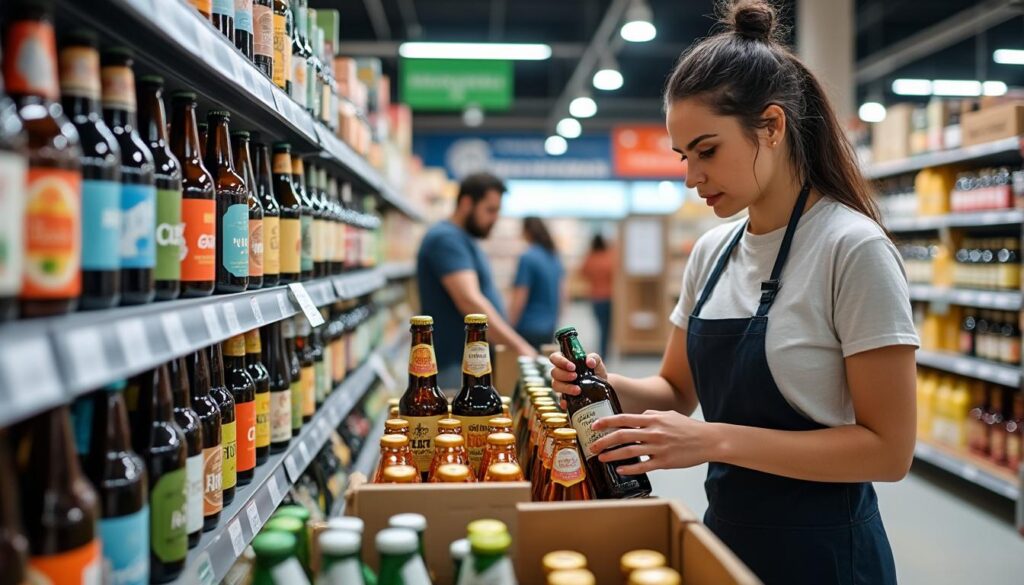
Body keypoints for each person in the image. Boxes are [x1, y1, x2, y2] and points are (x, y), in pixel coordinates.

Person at [549, 2, 917, 584]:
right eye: (682, 156)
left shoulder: (851, 248)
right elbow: (674, 391)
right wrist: (604, 382)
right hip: (726, 541)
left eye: (707, 150)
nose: (691, 176)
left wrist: (713, 440)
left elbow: (888, 451)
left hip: (826, 556)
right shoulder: (712, 252)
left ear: (771, 126)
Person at [417, 172, 538, 390]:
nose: (495, 218)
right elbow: (470, 300)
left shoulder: (463, 239)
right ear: (466, 203)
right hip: (454, 366)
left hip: (469, 364)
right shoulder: (446, 239)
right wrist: (520, 347)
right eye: (490, 210)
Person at [508, 217, 566, 350]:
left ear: (527, 231)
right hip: (549, 326)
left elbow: (520, 296)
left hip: (527, 326)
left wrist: (509, 325)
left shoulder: (527, 257)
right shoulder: (554, 257)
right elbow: (562, 295)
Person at [579, 234, 614, 357]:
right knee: (608, 326)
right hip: (609, 295)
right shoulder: (609, 256)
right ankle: (605, 350)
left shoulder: (590, 257)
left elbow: (582, 272)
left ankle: (602, 350)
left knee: (600, 325)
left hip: (595, 296)